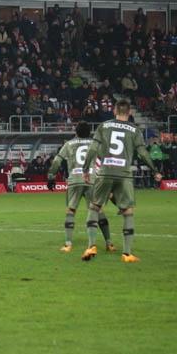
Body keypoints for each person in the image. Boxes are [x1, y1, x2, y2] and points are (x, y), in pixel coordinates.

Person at [81, 101, 162, 263]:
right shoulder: (134, 129)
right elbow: (143, 153)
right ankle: (127, 254)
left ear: (114, 110)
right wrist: (155, 170)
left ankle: (91, 245)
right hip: (124, 174)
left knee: (95, 207)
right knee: (128, 212)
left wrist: (85, 170)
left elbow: (92, 149)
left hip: (105, 172)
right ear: (129, 112)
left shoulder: (104, 126)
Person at [47, 122, 114, 253]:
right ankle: (109, 243)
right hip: (92, 179)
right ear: (90, 133)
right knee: (98, 211)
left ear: (76, 132)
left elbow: (56, 161)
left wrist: (51, 176)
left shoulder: (68, 144)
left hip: (75, 180)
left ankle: (68, 244)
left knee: (71, 210)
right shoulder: (95, 143)